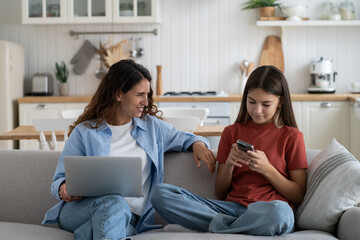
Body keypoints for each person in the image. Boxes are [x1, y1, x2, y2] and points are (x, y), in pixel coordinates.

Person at [42, 59, 216, 240]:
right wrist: (63, 188)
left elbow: (188, 138)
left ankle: (86, 234)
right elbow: (59, 180)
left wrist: (198, 145)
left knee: (104, 226)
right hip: (82, 210)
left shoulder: (153, 129)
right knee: (115, 202)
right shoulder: (85, 132)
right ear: (118, 94)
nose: (146, 102)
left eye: (147, 95)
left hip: (131, 219)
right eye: (140, 94)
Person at [150, 65, 308, 236]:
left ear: (281, 102)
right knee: (160, 194)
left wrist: (267, 169)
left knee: (281, 213)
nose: (257, 110)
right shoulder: (231, 132)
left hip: (267, 211)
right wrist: (230, 164)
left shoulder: (292, 136)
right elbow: (220, 192)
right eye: (252, 102)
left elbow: (298, 195)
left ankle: (215, 227)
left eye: (266, 104)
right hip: (229, 209)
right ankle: (235, 227)